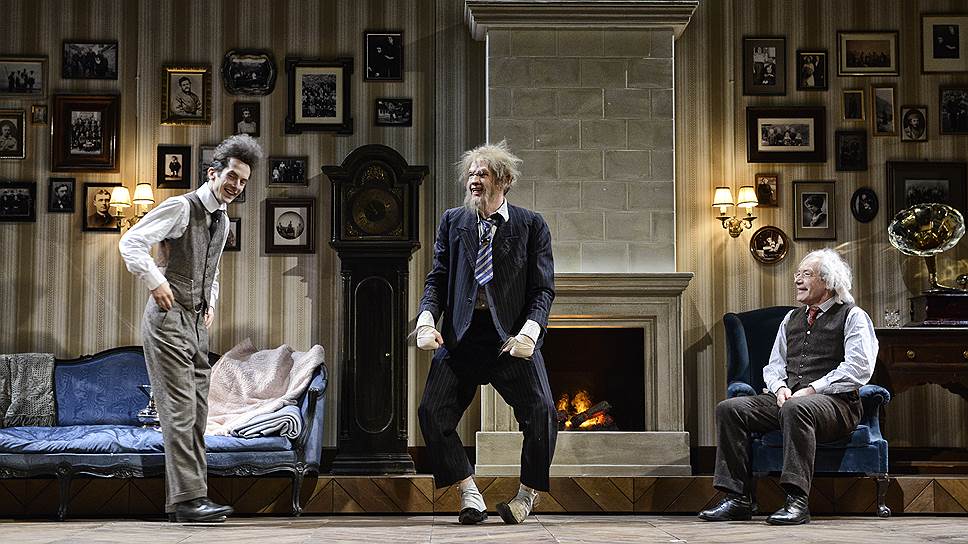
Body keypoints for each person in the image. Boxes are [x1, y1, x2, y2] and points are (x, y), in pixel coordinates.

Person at [119, 134, 262, 523]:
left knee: (198, 412)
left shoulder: (223, 219)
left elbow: (212, 269)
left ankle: (188, 500)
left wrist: (210, 304)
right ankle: (188, 502)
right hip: (167, 321)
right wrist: (155, 281)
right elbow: (131, 242)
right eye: (232, 176)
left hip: (197, 324)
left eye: (244, 181)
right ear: (213, 173)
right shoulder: (181, 207)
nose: (237, 186)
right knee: (180, 410)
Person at [415, 141, 556, 526]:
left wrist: (530, 332)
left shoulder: (531, 225)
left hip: (510, 338)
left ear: (505, 180)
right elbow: (437, 278)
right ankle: (468, 492)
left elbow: (542, 289)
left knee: (542, 413)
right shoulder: (452, 221)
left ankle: (526, 495)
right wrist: (426, 318)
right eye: (471, 173)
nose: (474, 180)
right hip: (462, 335)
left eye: (484, 173)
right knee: (432, 412)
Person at [699, 249, 877, 526]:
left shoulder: (853, 316)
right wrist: (780, 388)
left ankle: (797, 501)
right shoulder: (791, 318)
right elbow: (774, 365)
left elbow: (858, 368)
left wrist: (813, 389)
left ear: (828, 281)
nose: (797, 280)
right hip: (791, 398)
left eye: (806, 274)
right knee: (730, 409)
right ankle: (737, 499)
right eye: (797, 274)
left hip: (837, 405)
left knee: (797, 407)